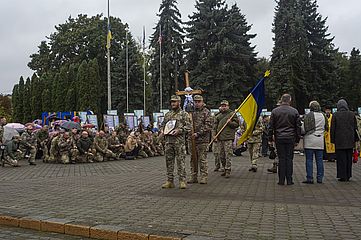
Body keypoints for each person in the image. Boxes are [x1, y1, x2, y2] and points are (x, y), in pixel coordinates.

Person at [269, 94, 301, 185]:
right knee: (289, 159)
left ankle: (281, 180)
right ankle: (289, 180)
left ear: (281, 100)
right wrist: (297, 140)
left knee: (281, 159)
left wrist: (270, 138)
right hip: (290, 138)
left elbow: (270, 126)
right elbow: (298, 127)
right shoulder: (294, 111)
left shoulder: (275, 111)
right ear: (289, 100)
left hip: (279, 138)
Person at [160, 95, 191, 189]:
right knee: (169, 161)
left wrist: (180, 130)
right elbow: (163, 125)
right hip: (168, 141)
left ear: (179, 102)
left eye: (175, 102)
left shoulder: (184, 114)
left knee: (180, 161)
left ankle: (182, 180)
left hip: (179, 142)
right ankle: (170, 181)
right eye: (172, 102)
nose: (173, 103)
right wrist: (162, 130)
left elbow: (189, 127)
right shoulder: (168, 114)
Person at [331, 99, 358, 182]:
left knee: (341, 159)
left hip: (339, 140)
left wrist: (332, 140)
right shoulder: (352, 114)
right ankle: (348, 174)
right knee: (349, 158)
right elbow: (355, 127)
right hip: (350, 140)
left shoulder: (335, 115)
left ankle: (342, 175)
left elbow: (333, 129)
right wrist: (355, 139)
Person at [187, 95, 212, 184]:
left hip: (202, 140)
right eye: (195, 101)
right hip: (192, 140)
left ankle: (203, 176)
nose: (197, 103)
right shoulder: (191, 112)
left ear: (202, 102)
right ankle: (193, 176)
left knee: (202, 159)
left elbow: (208, 126)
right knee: (193, 158)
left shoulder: (206, 112)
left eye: (199, 102)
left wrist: (198, 133)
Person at [302, 101, 328, 184]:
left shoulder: (308, 116)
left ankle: (310, 178)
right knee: (319, 160)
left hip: (309, 140)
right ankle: (320, 178)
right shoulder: (323, 115)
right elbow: (327, 127)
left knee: (309, 160)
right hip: (320, 140)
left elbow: (304, 129)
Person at [213, 100, 239, 178]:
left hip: (228, 138)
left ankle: (228, 170)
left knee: (228, 154)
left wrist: (230, 122)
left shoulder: (232, 114)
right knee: (221, 155)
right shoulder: (218, 115)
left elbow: (237, 124)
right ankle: (224, 168)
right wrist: (214, 136)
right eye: (222, 106)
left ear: (228, 106)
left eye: (225, 106)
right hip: (220, 138)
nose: (223, 107)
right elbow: (214, 127)